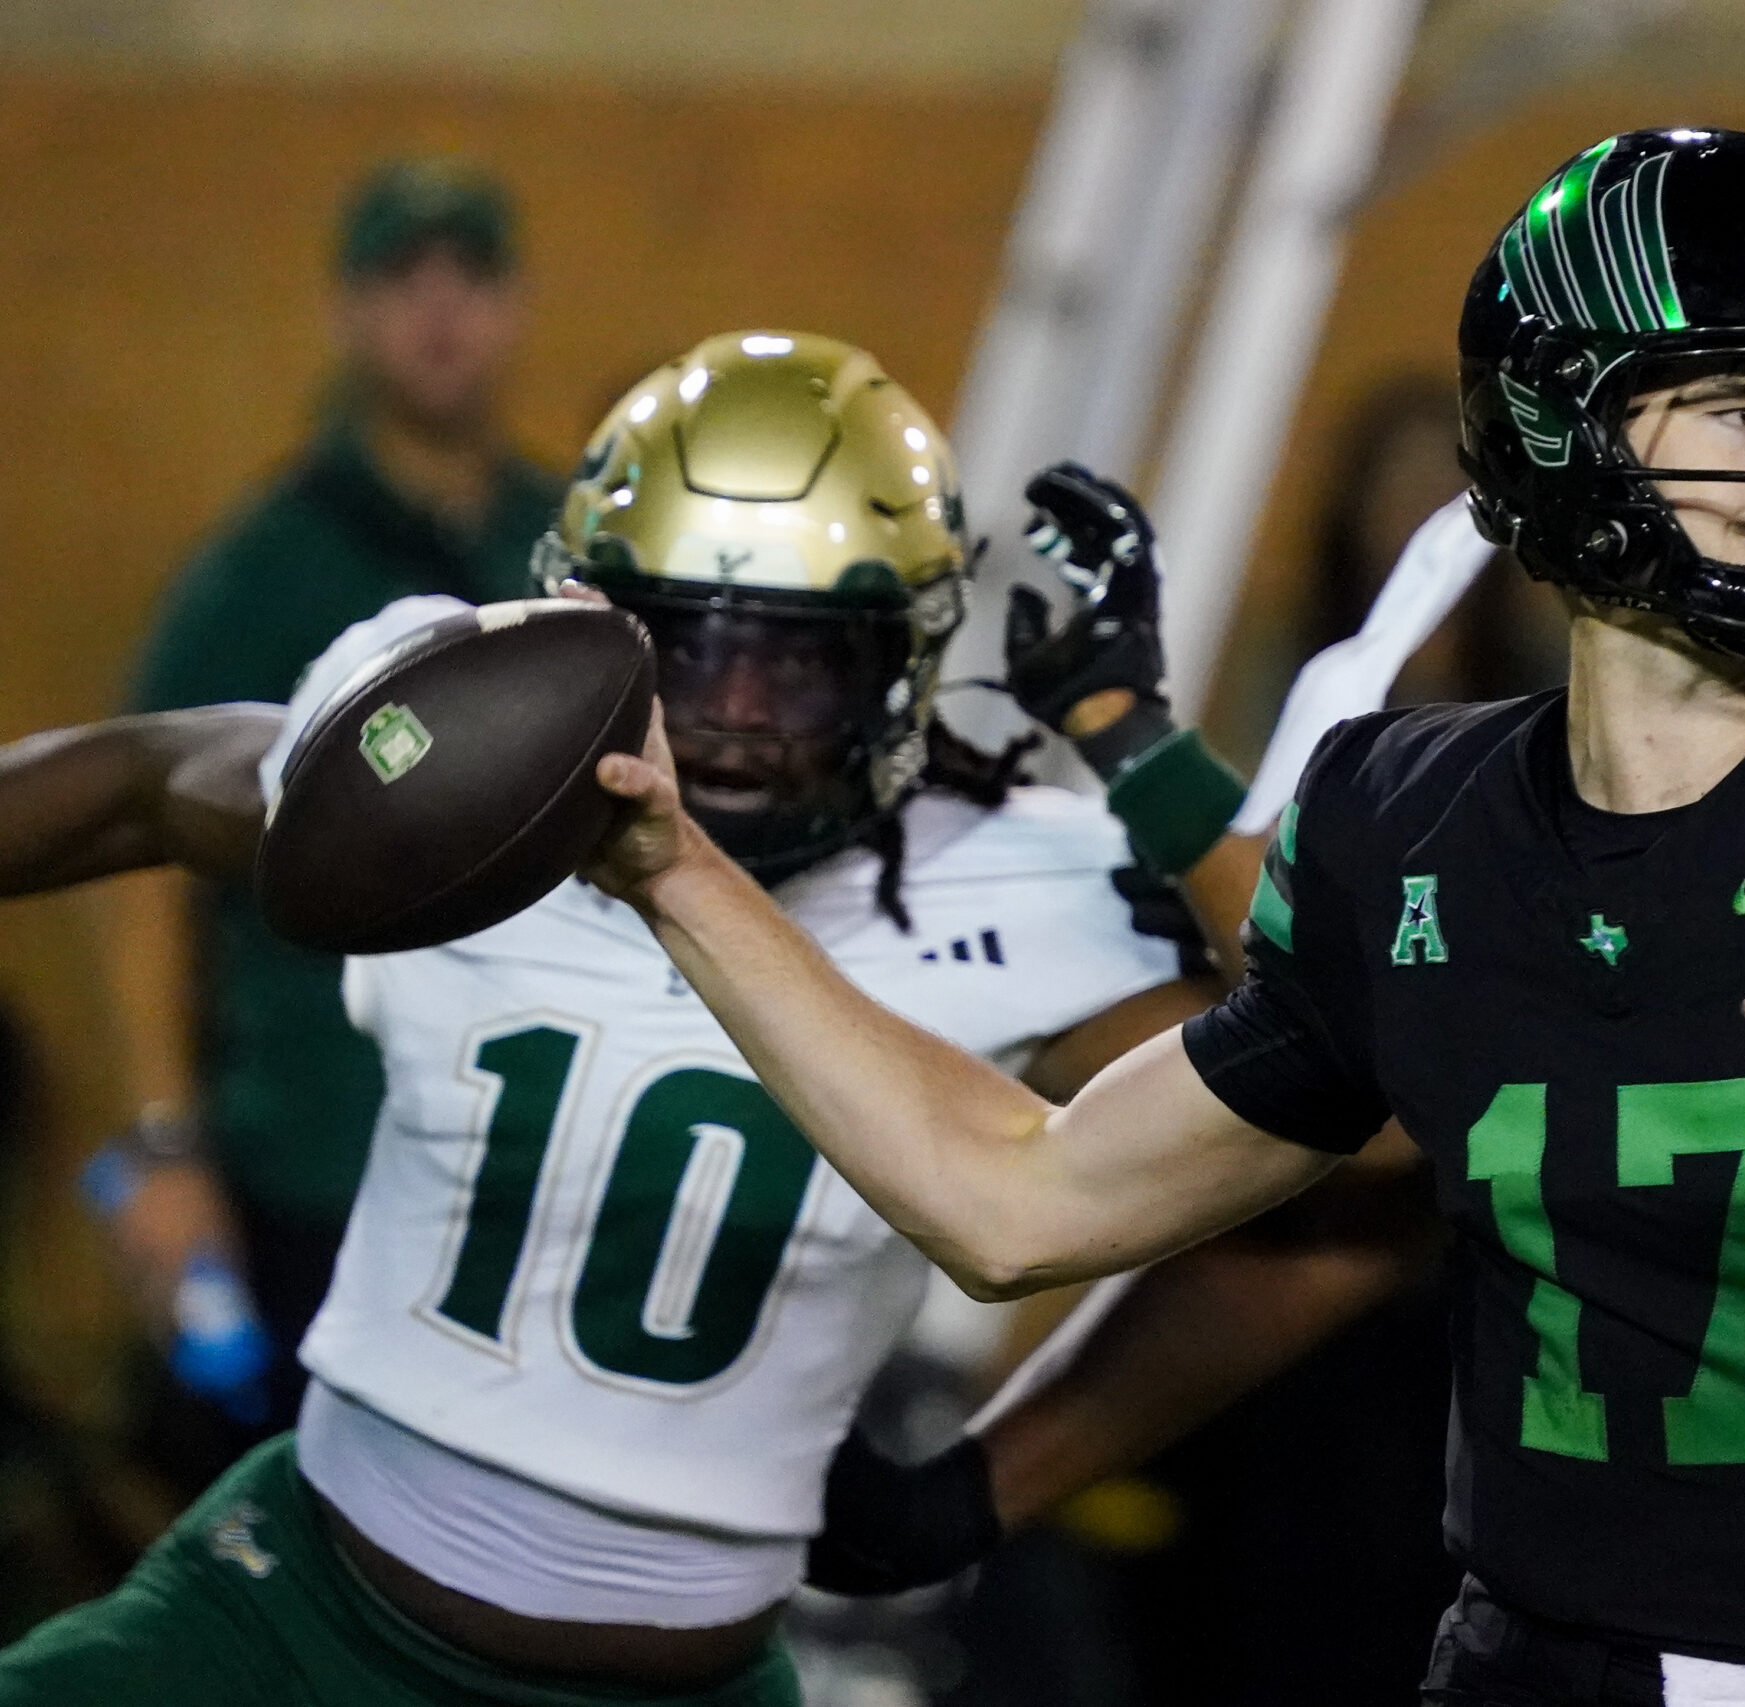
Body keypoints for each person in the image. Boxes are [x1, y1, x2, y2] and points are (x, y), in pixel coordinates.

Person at [580, 132, 1745, 1705]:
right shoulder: (1402, 817)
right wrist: (678, 870)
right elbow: (1018, 1201)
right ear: (1562, 428)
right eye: (1744, 411)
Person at [0, 332, 1216, 1706]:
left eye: (800, 665)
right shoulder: (480, 771)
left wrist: (989, 1484)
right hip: (293, 1619)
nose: (737, 717)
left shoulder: (1020, 883)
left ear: (902, 660)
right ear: (585, 625)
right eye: (689, 646)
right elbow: (145, 785)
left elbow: (1338, 1168)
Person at [120, 158, 563, 1456]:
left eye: (470, 276)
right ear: (347, 312)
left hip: (533, 1164)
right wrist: (163, 1150)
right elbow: (142, 866)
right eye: (401, 277)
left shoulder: (562, 544)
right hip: (316, 1155)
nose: (440, 310)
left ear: (516, 306)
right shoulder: (265, 570)